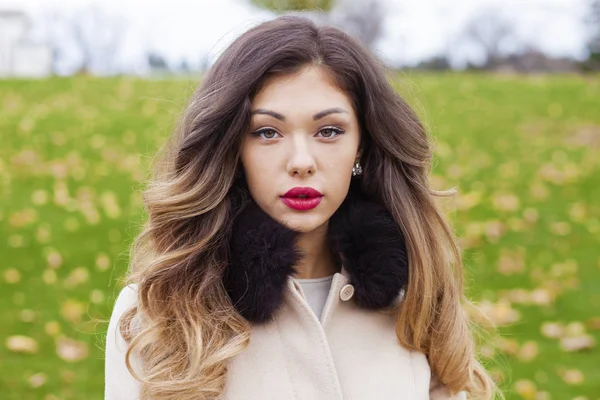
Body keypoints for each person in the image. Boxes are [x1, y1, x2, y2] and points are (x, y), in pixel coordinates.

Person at [104, 15, 502, 400]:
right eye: (267, 132)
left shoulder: (417, 301)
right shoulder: (156, 314)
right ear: (232, 147)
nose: (301, 161)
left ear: (360, 144)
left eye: (328, 131)